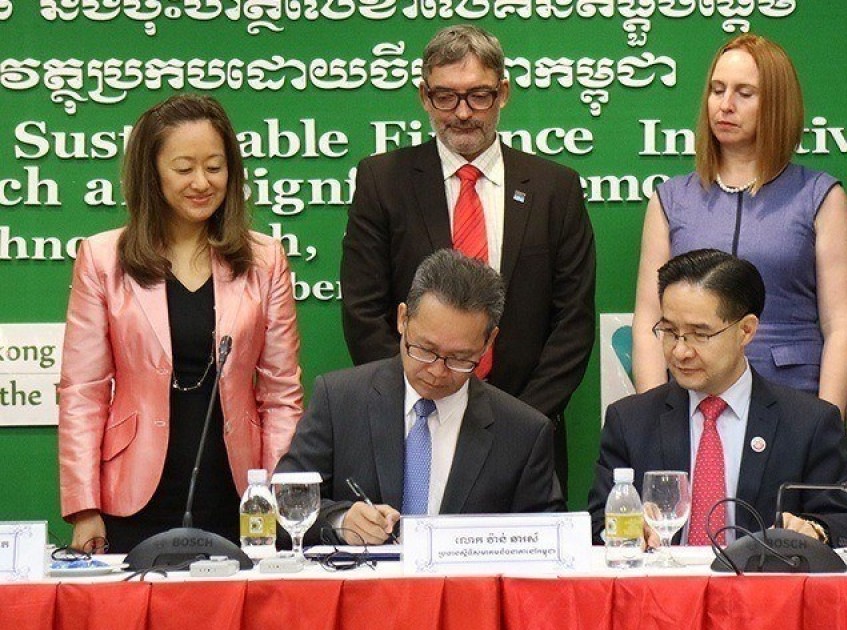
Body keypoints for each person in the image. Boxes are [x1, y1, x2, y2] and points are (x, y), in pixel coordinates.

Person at [340, 25, 596, 493]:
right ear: (424, 96)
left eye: (478, 95)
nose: (462, 112)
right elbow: (363, 311)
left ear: (503, 93)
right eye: (445, 97)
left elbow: (572, 325)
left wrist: (519, 423)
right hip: (412, 427)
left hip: (526, 436)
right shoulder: (382, 181)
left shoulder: (555, 188)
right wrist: (417, 399)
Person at [57, 94, 303, 553]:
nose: (202, 182)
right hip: (133, 493)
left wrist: (277, 498)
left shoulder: (265, 260)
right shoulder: (102, 259)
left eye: (215, 167)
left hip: (240, 493)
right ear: (151, 173)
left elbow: (281, 394)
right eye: (184, 168)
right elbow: (82, 393)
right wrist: (84, 508)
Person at [631, 34, 847, 417]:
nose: (725, 105)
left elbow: (842, 326)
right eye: (717, 90)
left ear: (776, 103)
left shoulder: (820, 196)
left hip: (792, 400)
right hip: (692, 404)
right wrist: (654, 421)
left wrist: (827, 424)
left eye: (744, 93)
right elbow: (648, 322)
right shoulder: (670, 200)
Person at [280, 249, 565, 545]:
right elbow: (281, 508)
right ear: (403, 319)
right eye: (425, 350)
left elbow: (549, 540)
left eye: (460, 358)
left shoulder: (523, 432)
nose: (437, 371)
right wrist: (341, 521)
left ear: (488, 342)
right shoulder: (339, 401)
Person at [590, 249, 847, 548]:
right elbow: (597, 524)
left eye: (700, 334)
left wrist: (814, 530)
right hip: (662, 577)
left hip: (762, 576)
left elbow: (845, 525)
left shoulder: (808, 422)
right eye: (669, 331)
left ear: (746, 330)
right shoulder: (630, 420)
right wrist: (627, 529)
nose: (680, 351)